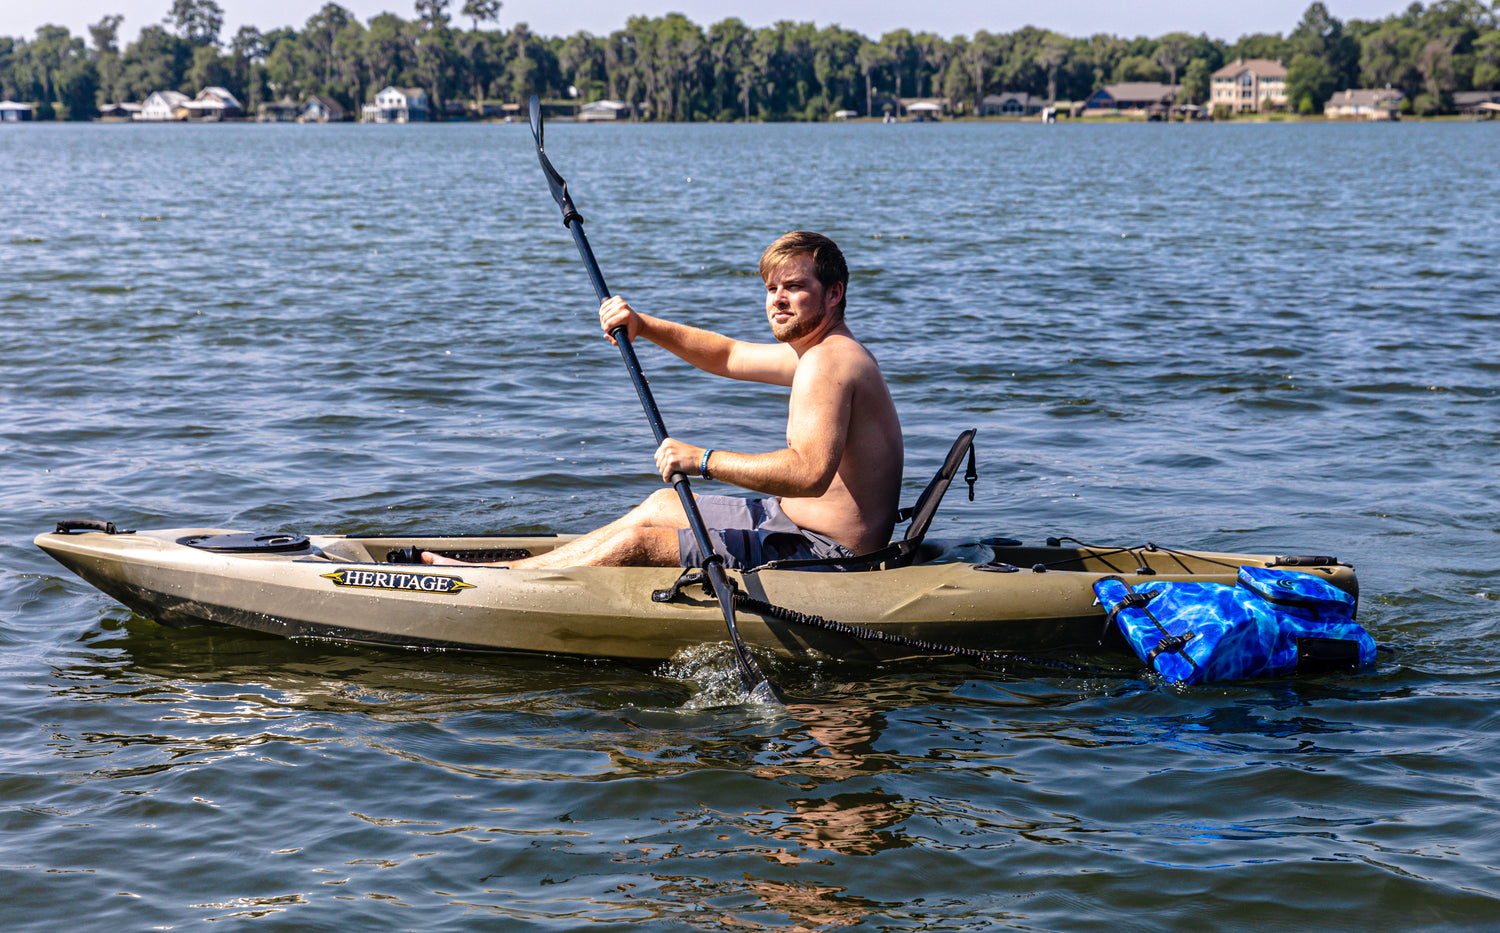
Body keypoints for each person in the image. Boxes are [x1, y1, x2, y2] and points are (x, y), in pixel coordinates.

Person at [425, 231, 903, 571]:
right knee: (658, 503)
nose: (778, 299)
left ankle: (500, 583)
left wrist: (703, 459)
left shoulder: (829, 363)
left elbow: (808, 474)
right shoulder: (818, 352)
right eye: (771, 288)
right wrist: (642, 324)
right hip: (788, 522)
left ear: (834, 293)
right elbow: (729, 354)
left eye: (795, 287)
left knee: (637, 543)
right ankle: (527, 570)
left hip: (825, 553)